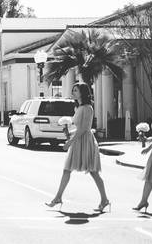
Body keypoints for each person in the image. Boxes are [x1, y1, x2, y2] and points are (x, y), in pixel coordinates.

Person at [45, 82, 111, 212]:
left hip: (85, 141)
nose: (73, 92)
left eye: (75, 90)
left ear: (83, 92)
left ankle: (104, 199)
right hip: (78, 140)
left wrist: (70, 141)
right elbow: (78, 128)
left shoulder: (87, 108)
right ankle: (58, 197)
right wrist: (68, 133)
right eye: (73, 90)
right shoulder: (79, 108)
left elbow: (84, 129)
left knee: (93, 172)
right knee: (67, 170)